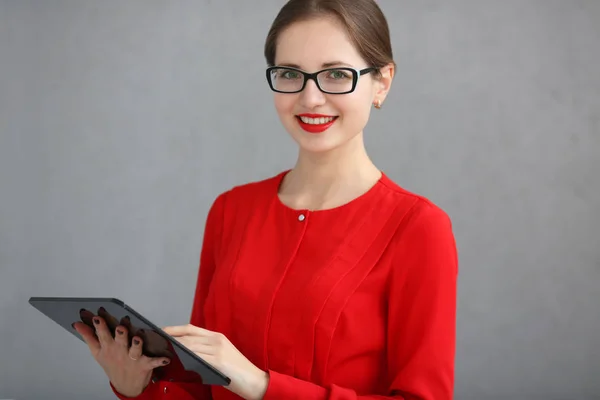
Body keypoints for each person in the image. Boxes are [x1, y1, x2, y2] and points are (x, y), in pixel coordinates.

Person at [73, 0, 459, 399]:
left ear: (382, 82)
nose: (310, 98)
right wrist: (136, 387)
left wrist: (261, 385)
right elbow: (198, 387)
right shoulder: (231, 211)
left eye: (337, 74)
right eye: (291, 73)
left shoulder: (417, 227)